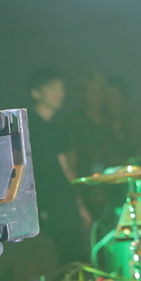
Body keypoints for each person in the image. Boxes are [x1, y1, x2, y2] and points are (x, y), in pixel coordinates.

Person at [28, 68, 91, 267]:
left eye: (61, 88)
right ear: (36, 92)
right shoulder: (28, 126)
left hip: (63, 200)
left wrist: (79, 204)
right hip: (44, 202)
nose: (60, 94)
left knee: (75, 256)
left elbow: (66, 168)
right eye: (53, 88)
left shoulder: (57, 127)